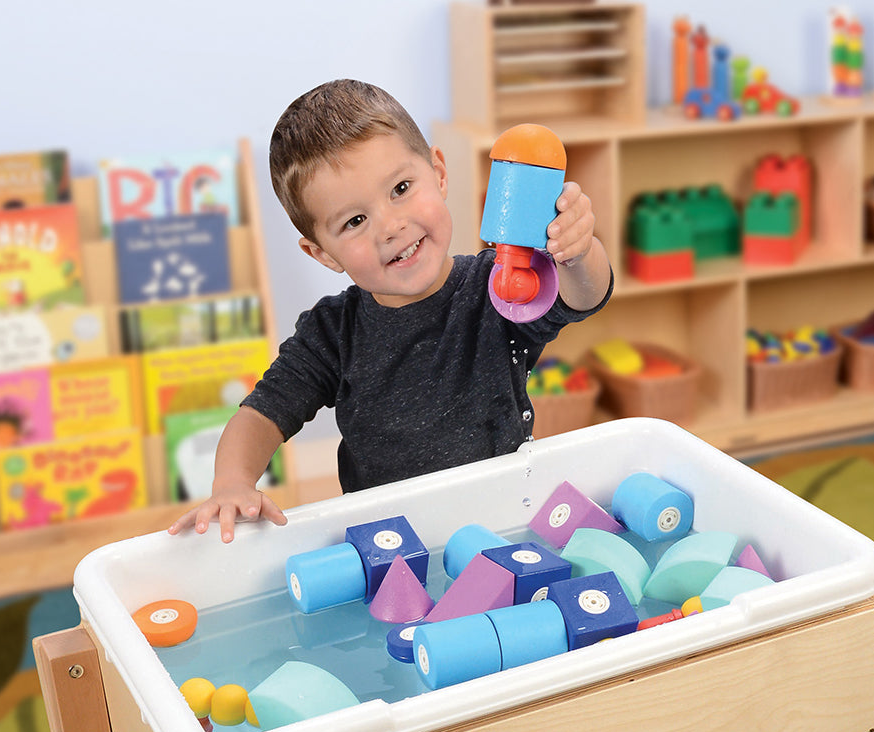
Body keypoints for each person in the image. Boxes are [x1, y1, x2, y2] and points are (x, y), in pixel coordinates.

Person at [169, 79, 612, 543]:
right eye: (355, 221)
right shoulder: (331, 333)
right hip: (390, 541)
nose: (390, 226)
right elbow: (261, 414)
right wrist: (233, 483)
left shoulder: (496, 287)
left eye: (401, 188)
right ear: (323, 254)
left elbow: (584, 295)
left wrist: (578, 253)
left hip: (504, 521)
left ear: (439, 173)